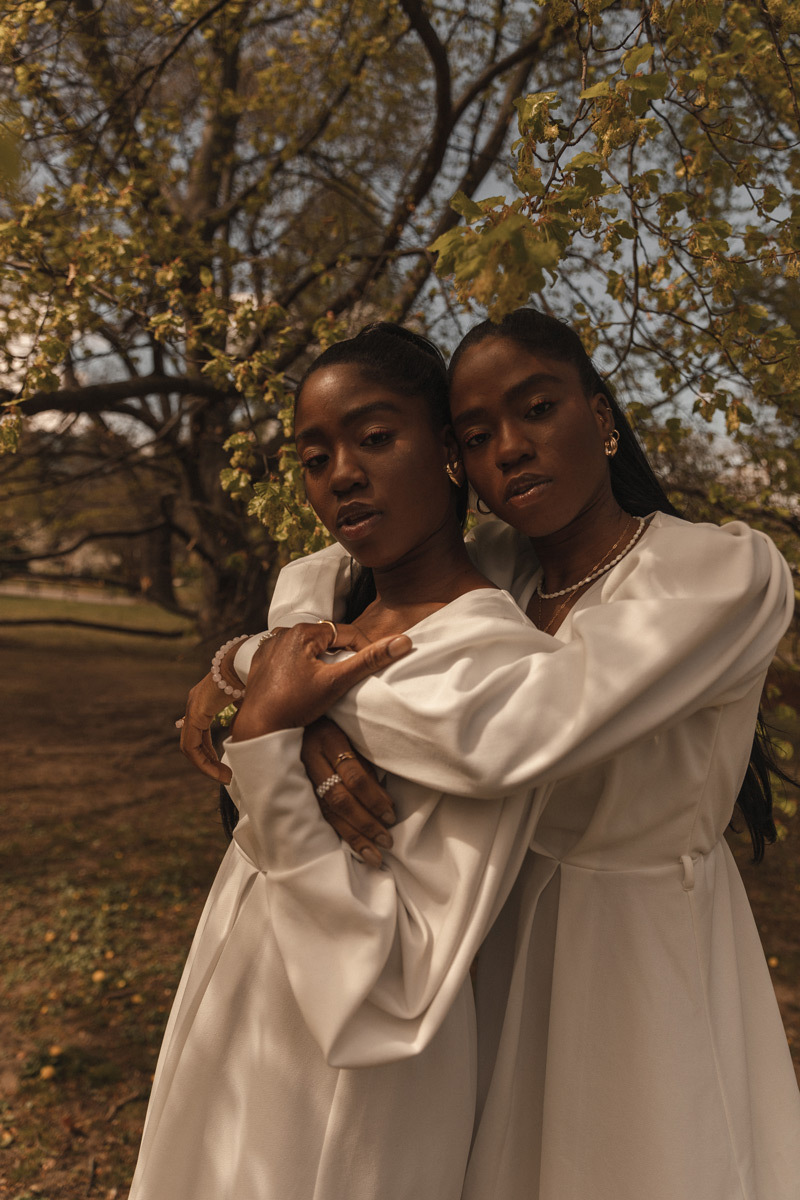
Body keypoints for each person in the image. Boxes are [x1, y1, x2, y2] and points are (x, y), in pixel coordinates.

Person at [182, 308, 800, 1200]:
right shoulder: (506, 567)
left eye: (537, 409)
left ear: (601, 416)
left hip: (632, 950)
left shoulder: (714, 576)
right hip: (484, 939)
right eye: (477, 433)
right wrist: (263, 689)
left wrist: (265, 686)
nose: (509, 448)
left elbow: (503, 734)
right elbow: (324, 594)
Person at [130, 324, 559, 1200]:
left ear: (446, 450)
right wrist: (246, 683)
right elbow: (282, 643)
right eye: (314, 456)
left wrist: (265, 741)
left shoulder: (496, 669)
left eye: (374, 437)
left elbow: (400, 972)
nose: (341, 476)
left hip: (353, 1070)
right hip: (239, 981)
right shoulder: (321, 629)